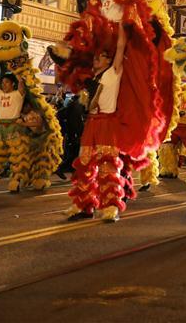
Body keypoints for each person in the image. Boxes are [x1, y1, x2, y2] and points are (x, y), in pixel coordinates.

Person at [67, 24, 126, 222]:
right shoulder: (93, 78)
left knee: (107, 167)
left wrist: (123, 25)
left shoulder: (114, 72)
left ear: (109, 60)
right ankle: (84, 204)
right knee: (84, 163)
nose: (96, 59)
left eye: (100, 56)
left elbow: (120, 46)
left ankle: (110, 206)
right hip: (91, 122)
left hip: (107, 123)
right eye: (95, 57)